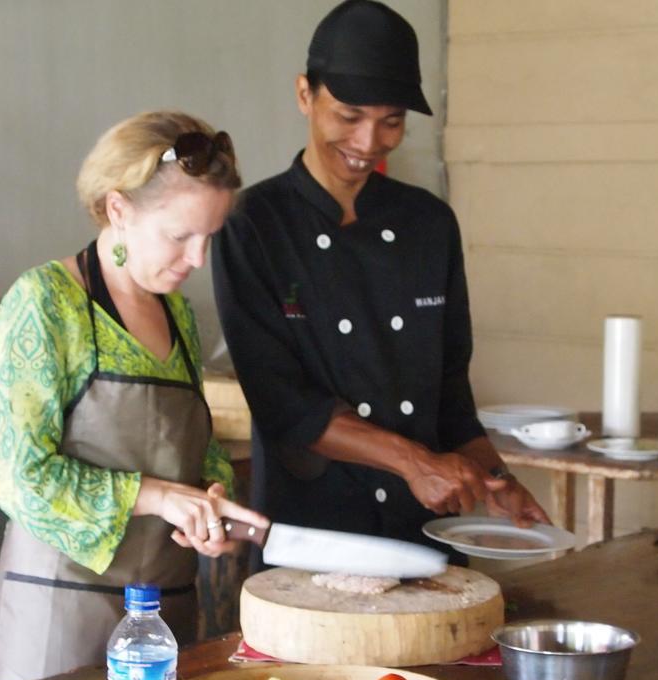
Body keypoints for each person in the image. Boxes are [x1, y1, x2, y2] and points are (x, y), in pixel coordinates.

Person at [212, 0, 548, 561]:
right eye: (349, 115)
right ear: (304, 95)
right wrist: (417, 463)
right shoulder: (252, 225)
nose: (369, 142)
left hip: (426, 529)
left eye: (391, 121)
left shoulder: (429, 223)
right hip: (310, 532)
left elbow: (449, 392)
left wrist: (497, 482)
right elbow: (286, 406)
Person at [0, 111, 268, 680]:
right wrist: (157, 496)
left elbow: (196, 448)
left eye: (211, 236)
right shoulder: (47, 303)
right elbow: (15, 475)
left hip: (163, 619)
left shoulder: (176, 312)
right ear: (118, 210)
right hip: (56, 626)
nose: (198, 260)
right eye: (181, 236)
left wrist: (209, 503)